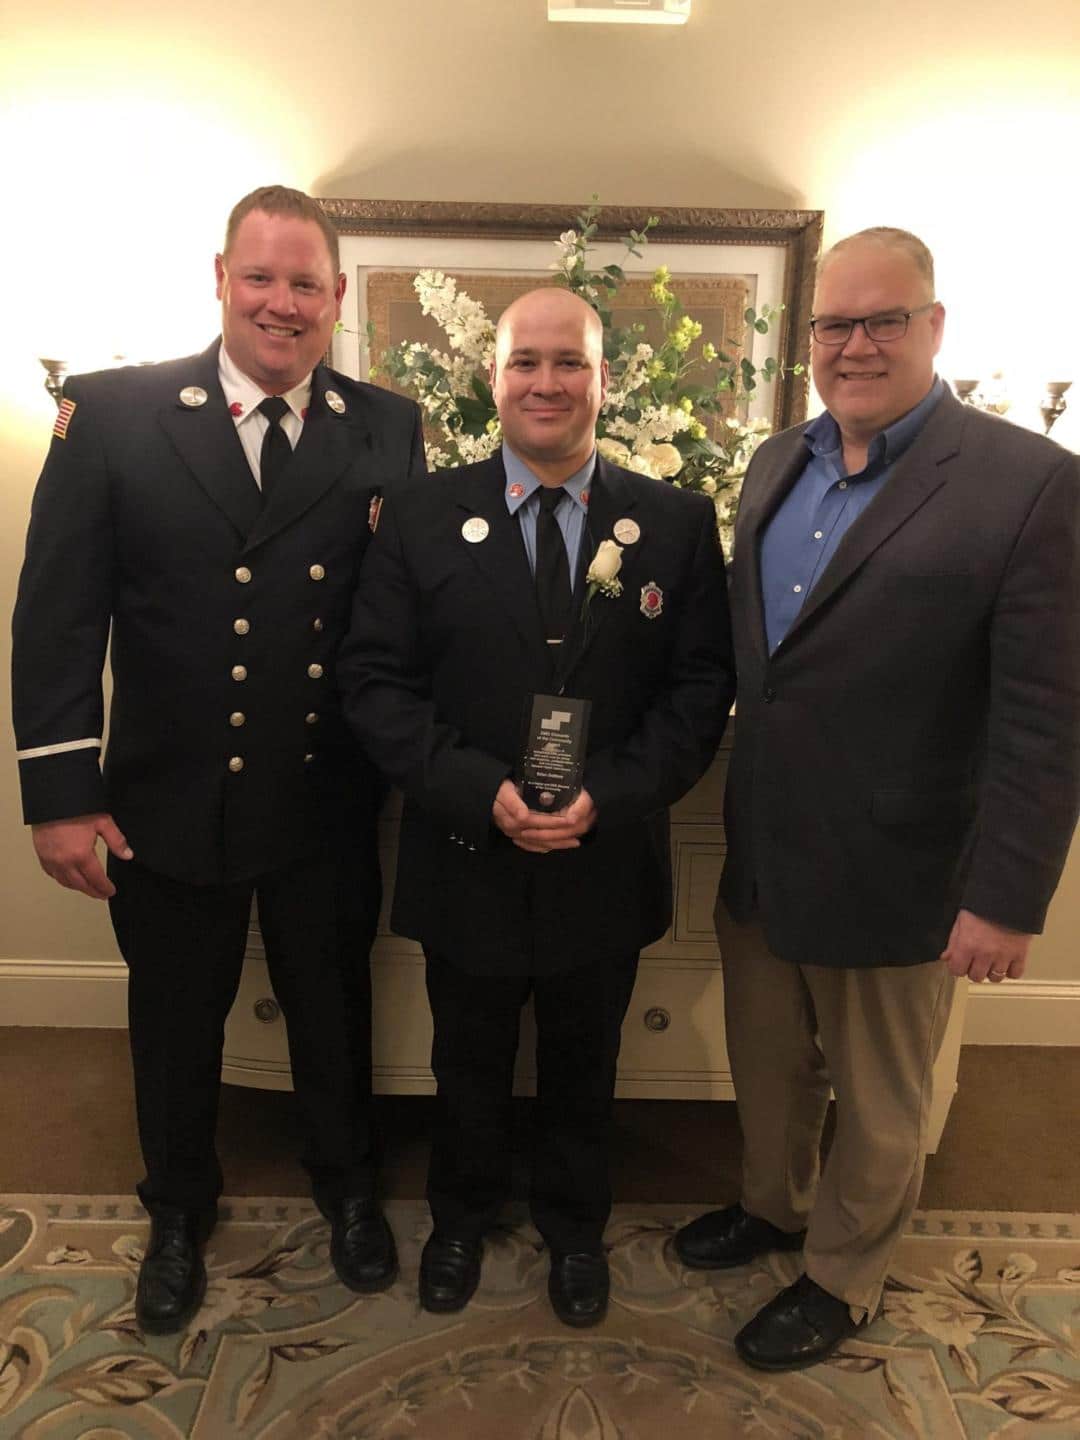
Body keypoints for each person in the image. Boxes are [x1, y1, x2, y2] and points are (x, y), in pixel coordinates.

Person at [12, 184, 426, 1334]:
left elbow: (393, 614)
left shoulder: (386, 425)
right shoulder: (114, 414)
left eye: (306, 284)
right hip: (165, 791)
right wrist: (61, 795)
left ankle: (348, 1191)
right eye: (262, 277)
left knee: (333, 1009)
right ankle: (177, 1212)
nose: (282, 303)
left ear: (337, 298)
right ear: (219, 278)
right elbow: (57, 622)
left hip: (323, 792)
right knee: (175, 1019)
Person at [674, 226, 1080, 1370]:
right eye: (833, 325)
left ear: (933, 327)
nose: (854, 345)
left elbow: (1048, 714)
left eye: (882, 320)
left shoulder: (1027, 484)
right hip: (765, 845)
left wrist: (1005, 898)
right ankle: (772, 1207)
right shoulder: (774, 463)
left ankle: (843, 1277)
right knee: (768, 1064)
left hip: (904, 864)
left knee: (883, 1099)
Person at [337, 286, 735, 1327]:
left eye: (570, 362)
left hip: (602, 858)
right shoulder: (421, 515)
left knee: (583, 1061)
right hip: (466, 846)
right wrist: (480, 791)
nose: (547, 382)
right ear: (493, 378)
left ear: (605, 381)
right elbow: (376, 683)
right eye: (527, 362)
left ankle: (572, 1228)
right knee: (464, 1056)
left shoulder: (677, 525)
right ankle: (460, 1218)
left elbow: (700, 693)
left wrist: (608, 793)